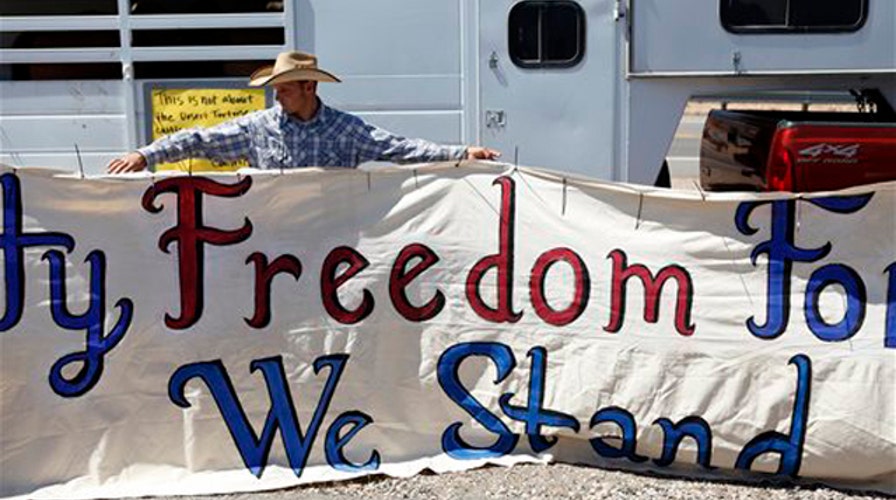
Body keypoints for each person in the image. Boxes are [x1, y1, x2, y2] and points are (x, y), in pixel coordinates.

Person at [107, 51, 500, 174]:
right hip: (268, 242)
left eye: (284, 89)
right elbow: (200, 139)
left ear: (309, 87)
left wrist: (461, 153)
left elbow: (400, 148)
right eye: (275, 90)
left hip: (330, 245)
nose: (277, 97)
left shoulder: (346, 131)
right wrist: (146, 154)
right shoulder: (257, 127)